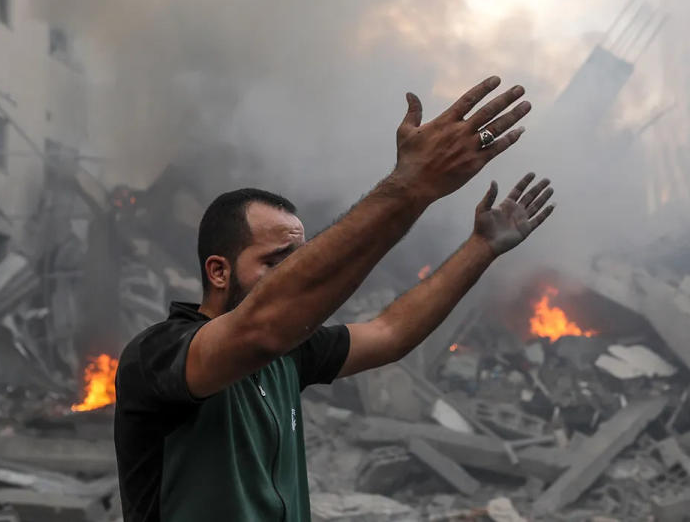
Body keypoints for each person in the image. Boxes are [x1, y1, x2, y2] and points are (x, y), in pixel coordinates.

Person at [114, 76, 555, 521]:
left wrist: (480, 248)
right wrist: (412, 185)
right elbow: (258, 331)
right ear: (218, 271)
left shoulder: (288, 357)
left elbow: (391, 332)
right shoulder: (159, 356)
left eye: (301, 260)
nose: (298, 276)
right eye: (275, 262)